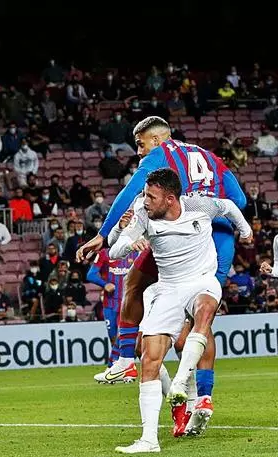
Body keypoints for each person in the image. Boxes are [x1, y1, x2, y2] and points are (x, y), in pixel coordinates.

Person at [75, 116, 246, 426]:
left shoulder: (160, 155)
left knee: (140, 288)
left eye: (140, 144)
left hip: (182, 238)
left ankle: (131, 362)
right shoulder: (210, 156)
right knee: (199, 317)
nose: (139, 151)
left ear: (155, 140)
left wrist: (103, 233)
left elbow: (131, 191)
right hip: (218, 241)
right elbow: (240, 200)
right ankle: (200, 395)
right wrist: (210, 211)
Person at [108, 169, 250, 454]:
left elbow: (229, 206)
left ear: (171, 199)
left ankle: (182, 381)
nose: (145, 201)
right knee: (149, 358)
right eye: (145, 195)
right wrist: (129, 244)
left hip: (202, 280)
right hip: (169, 288)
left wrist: (245, 230)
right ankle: (149, 440)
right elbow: (114, 250)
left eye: (152, 196)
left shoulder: (200, 205)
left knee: (205, 309)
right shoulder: (144, 214)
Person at [86, 246, 139, 383]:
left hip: (128, 303)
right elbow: (90, 274)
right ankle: (120, 368)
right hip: (110, 304)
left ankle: (113, 368)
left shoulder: (135, 252)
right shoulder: (105, 253)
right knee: (114, 338)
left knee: (123, 336)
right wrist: (105, 284)